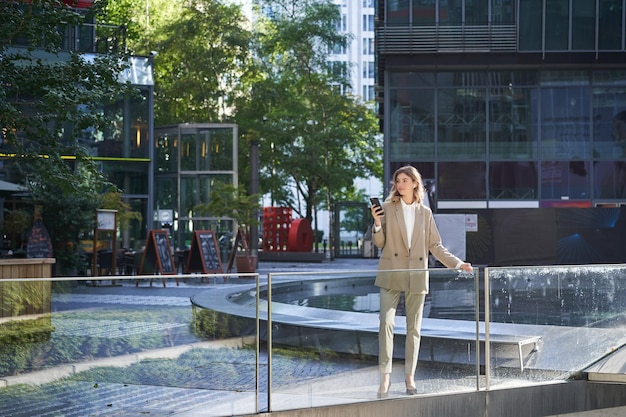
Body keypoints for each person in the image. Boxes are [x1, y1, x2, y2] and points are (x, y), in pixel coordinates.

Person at [371, 165, 473, 398]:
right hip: (390, 273)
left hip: (417, 274)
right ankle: (385, 379)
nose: (400, 184)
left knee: (413, 330)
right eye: (398, 181)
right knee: (385, 324)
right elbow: (379, 243)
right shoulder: (386, 208)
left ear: (415, 183)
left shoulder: (425, 213)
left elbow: (435, 246)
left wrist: (458, 264)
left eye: (405, 180)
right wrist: (377, 224)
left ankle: (409, 378)